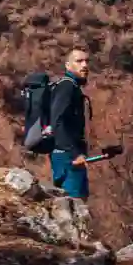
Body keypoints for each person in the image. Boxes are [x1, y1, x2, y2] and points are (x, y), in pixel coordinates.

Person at [48, 48, 92, 202]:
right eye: (79, 61)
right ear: (68, 65)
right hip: (67, 158)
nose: (85, 65)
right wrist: (75, 153)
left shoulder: (72, 87)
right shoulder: (67, 86)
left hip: (66, 155)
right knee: (75, 204)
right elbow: (57, 121)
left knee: (73, 204)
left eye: (87, 61)